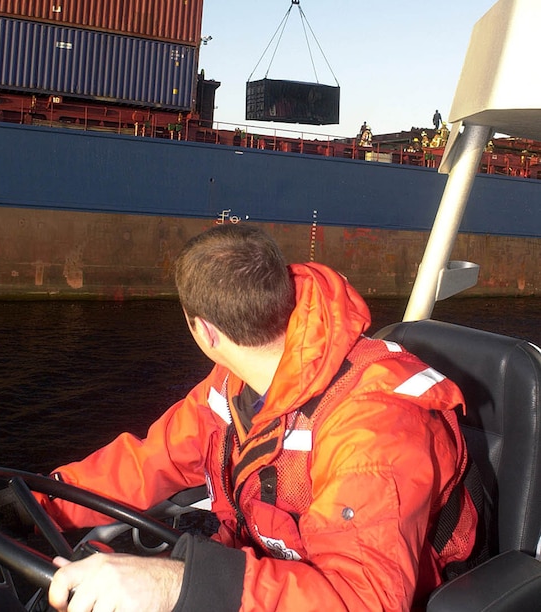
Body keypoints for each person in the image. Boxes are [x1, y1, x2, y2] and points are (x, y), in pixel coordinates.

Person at [43, 224, 477, 612]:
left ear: (205, 332)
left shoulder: (373, 423)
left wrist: (178, 585)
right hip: (268, 577)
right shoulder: (232, 386)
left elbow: (364, 600)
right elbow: (154, 460)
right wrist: (37, 503)